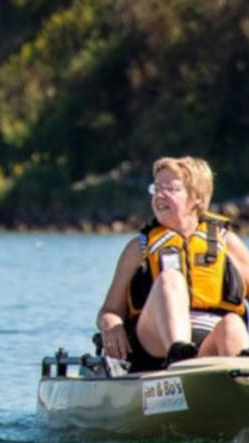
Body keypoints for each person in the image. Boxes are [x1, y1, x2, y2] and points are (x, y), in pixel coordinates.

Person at [97, 156, 249, 371]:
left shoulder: (228, 243)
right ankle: (179, 355)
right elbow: (110, 310)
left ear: (196, 198)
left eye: (171, 188)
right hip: (154, 344)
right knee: (170, 278)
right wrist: (110, 324)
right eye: (156, 188)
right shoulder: (138, 248)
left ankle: (240, 383)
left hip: (210, 346)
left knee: (233, 323)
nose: (160, 194)